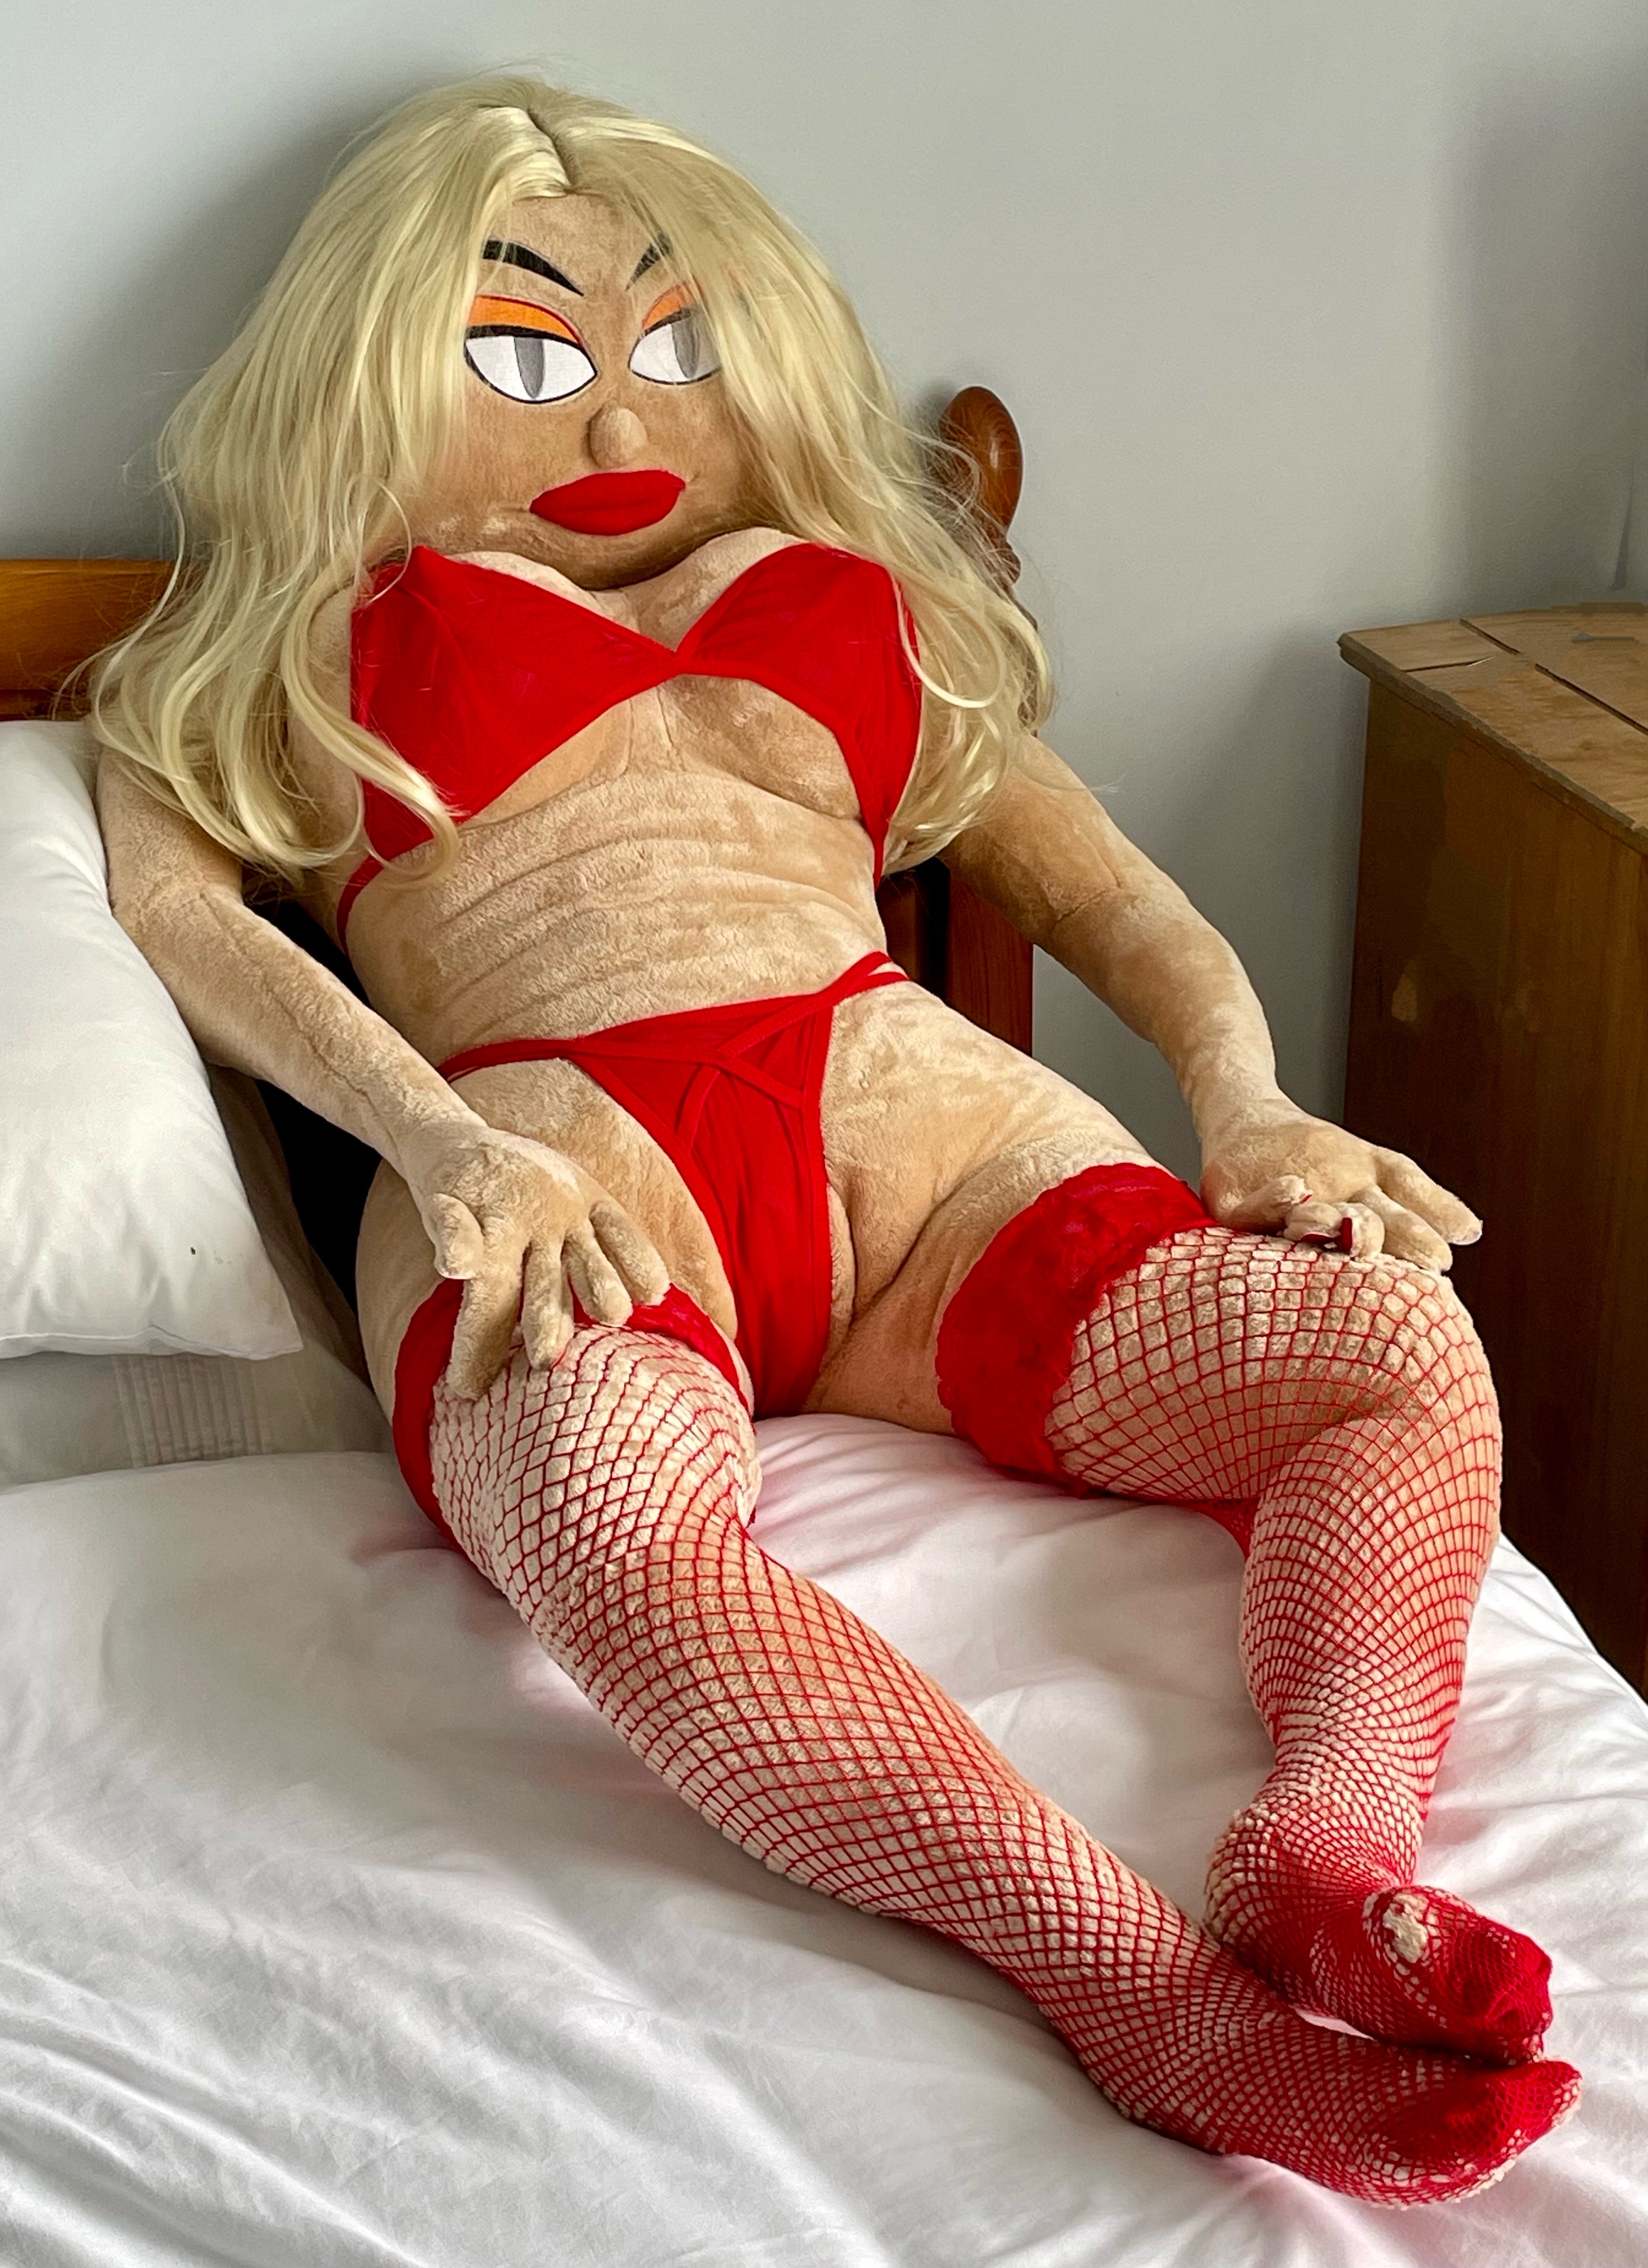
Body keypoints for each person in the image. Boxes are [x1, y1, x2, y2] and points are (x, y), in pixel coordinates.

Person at [92, 75, 1577, 2204]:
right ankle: (1131, 1978)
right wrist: (432, 1143)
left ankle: (1332, 1839)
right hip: (565, 1162)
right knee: (600, 1510)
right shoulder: (284, 649)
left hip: (925, 1147)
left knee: (1397, 1346)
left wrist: (1247, 1099)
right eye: (529, 363)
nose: (622, 423)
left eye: (676, 347)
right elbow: (176, 918)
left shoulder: (870, 604)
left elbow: (1118, 897)